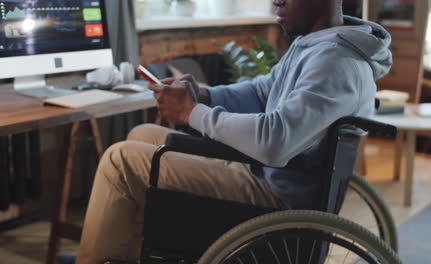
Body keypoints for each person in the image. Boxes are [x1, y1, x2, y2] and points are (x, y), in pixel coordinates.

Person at [76, 0, 392, 263]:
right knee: (144, 135)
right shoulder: (318, 46)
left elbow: (274, 141)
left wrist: (191, 112)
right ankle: (123, 250)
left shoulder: (335, 62)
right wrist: (204, 96)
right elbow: (260, 93)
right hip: (266, 175)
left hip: (274, 199)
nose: (275, 2)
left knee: (121, 161)